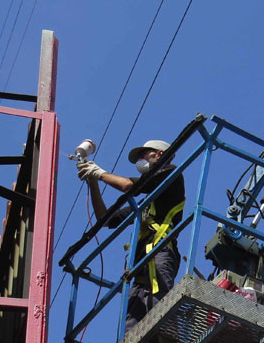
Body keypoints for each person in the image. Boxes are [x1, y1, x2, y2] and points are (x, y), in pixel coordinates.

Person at [78, 140, 186, 331]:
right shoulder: (146, 204)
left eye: (144, 155)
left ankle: (167, 342)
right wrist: (94, 183)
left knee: (159, 301)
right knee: (134, 313)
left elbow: (128, 185)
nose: (140, 161)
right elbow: (106, 219)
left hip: (160, 251)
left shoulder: (172, 174)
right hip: (141, 262)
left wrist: (99, 173)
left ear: (159, 155)